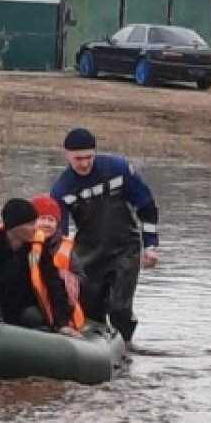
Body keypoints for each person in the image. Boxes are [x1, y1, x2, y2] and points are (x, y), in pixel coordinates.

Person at [50, 128, 158, 345]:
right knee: (90, 311)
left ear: (95, 153)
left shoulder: (118, 169)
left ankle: (125, 346)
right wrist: (59, 265)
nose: (84, 164)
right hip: (88, 253)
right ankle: (96, 355)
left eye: (89, 157)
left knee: (120, 308)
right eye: (78, 159)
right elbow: (60, 234)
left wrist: (151, 245)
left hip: (125, 248)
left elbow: (146, 204)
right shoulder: (61, 189)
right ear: (67, 156)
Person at [0, 198, 81, 335]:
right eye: (30, 224)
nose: (36, 228)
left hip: (27, 308)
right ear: (14, 227)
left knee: (32, 316)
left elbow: (55, 285)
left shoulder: (39, 249)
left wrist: (63, 323)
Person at [30, 193, 84, 312]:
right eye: (42, 218)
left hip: (57, 304)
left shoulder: (67, 247)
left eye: (51, 220)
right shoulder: (24, 242)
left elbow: (80, 278)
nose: (47, 224)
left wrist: (66, 278)